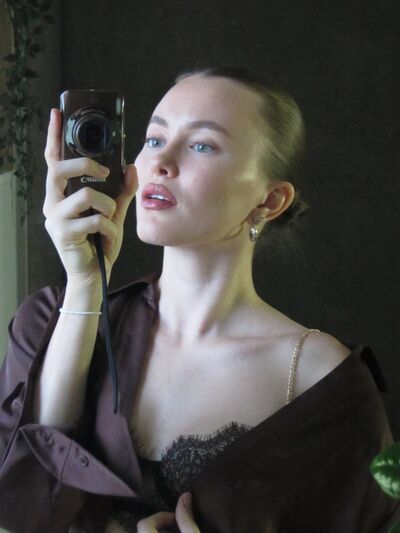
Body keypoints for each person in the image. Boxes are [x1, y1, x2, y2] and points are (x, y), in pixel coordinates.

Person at [0, 66, 399, 533]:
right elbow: (24, 510)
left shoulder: (322, 382)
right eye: (153, 139)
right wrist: (86, 284)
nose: (161, 162)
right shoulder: (47, 322)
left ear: (270, 200)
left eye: (202, 145)